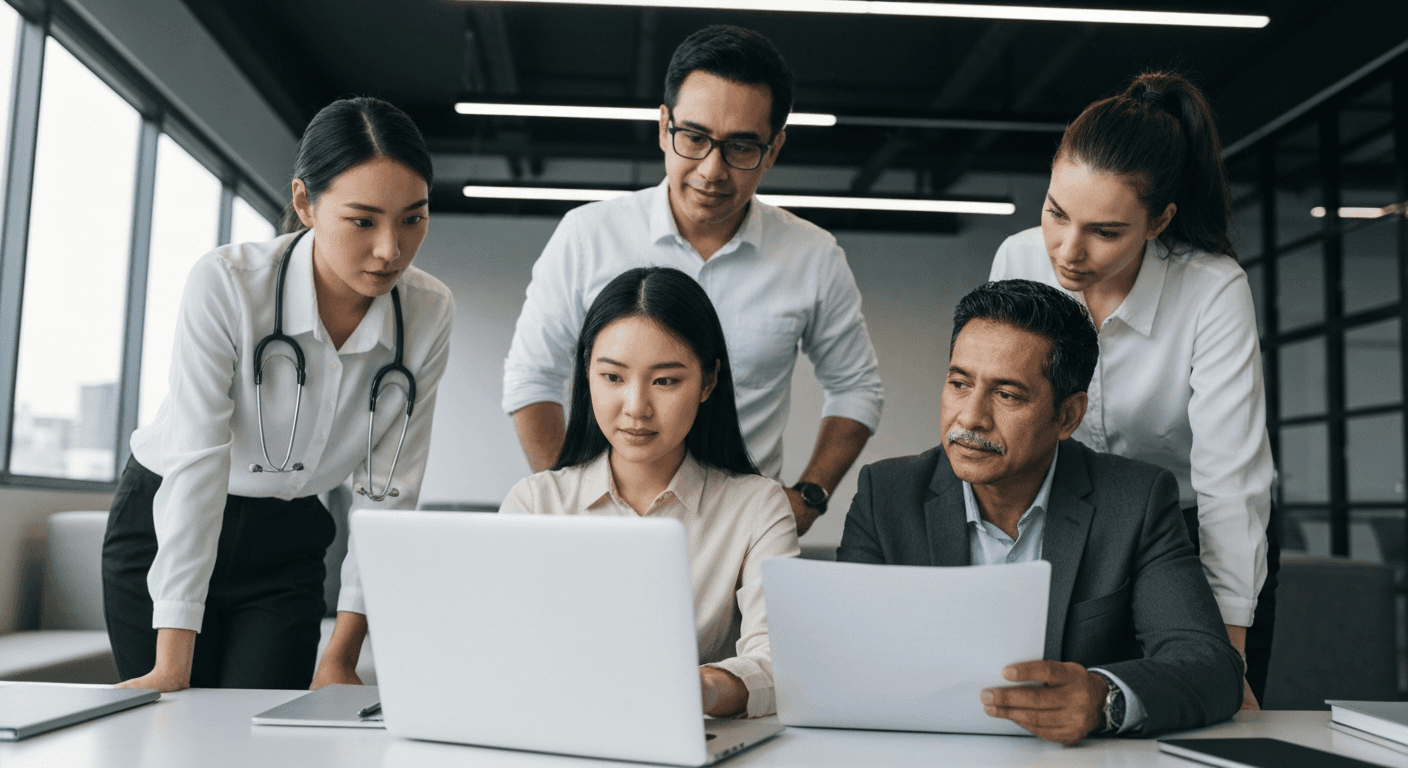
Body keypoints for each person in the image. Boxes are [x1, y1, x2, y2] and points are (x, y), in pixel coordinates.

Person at [101, 97, 454, 692]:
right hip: (167, 520)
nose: (390, 249)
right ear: (304, 202)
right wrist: (171, 665)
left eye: (412, 219)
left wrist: (342, 656)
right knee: (169, 726)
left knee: (261, 733)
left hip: (287, 542)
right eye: (363, 221)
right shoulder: (227, 284)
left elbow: (389, 491)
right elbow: (197, 466)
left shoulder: (427, 311)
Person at [502, 25, 883, 536]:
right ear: (664, 127)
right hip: (603, 528)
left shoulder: (812, 256)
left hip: (742, 530)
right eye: (695, 138)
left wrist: (810, 496)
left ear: (773, 149)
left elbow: (856, 388)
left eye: (741, 147)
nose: (712, 170)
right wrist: (567, 501)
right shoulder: (587, 235)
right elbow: (531, 377)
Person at [837, 280, 1243, 744]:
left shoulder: (1135, 501)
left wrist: (1102, 698)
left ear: (1067, 416)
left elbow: (1211, 666)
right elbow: (845, 652)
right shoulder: (886, 495)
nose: (970, 418)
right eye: (959, 384)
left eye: (1007, 395)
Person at [988, 71, 1275, 708]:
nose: (1067, 250)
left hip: (1192, 535)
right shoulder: (1018, 260)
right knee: (1067, 715)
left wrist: (1226, 655)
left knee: (1204, 714)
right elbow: (1002, 417)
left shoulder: (1212, 289)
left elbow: (1231, 481)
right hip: (1071, 526)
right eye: (1055, 213)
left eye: (1105, 231)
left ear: (1159, 220)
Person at [500, 266, 800, 719]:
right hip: (555, 729)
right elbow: (502, 648)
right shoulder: (535, 504)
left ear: (708, 382)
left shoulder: (757, 507)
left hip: (690, 735)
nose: (636, 408)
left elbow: (780, 661)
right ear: (587, 374)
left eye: (665, 381)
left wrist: (697, 689)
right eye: (613, 377)